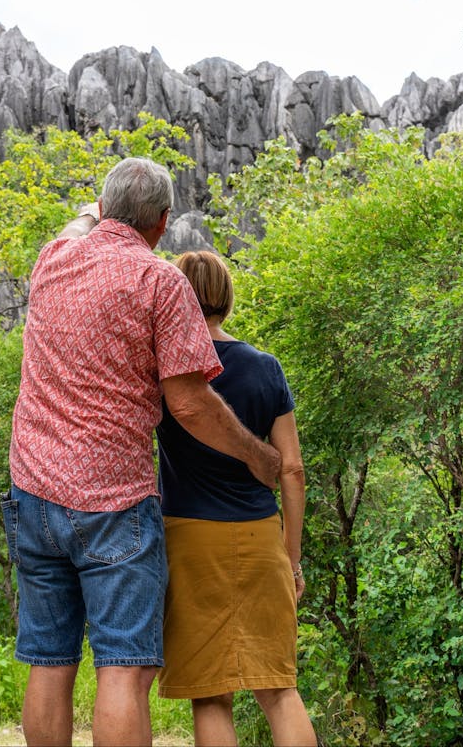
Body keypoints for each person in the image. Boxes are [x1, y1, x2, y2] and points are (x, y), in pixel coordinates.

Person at [2, 157, 282, 747]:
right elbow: (190, 403)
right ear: (162, 222)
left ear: (104, 210)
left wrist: (90, 212)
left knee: (49, 664)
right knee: (123, 670)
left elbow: (78, 226)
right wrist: (257, 458)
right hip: (114, 505)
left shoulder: (53, 260)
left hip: (32, 495)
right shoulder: (160, 281)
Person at [156, 250, 316, 747]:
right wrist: (290, 561)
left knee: (211, 695)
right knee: (279, 690)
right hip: (260, 537)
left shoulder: (167, 369)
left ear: (178, 298)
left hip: (189, 541)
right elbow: (291, 468)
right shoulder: (265, 367)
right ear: (225, 299)